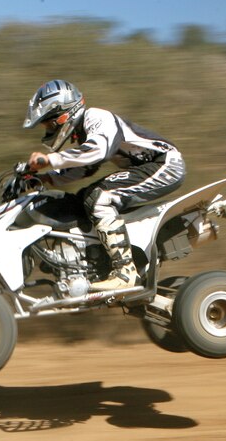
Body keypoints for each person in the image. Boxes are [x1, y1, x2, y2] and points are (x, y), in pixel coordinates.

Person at [23, 79, 186, 292]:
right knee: (82, 199)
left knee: (99, 198)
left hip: (166, 164)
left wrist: (49, 160)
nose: (47, 129)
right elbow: (85, 167)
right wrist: (46, 179)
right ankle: (96, 262)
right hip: (147, 167)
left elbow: (99, 150)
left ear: (63, 115)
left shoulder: (98, 118)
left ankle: (125, 272)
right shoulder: (84, 132)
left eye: (48, 123)